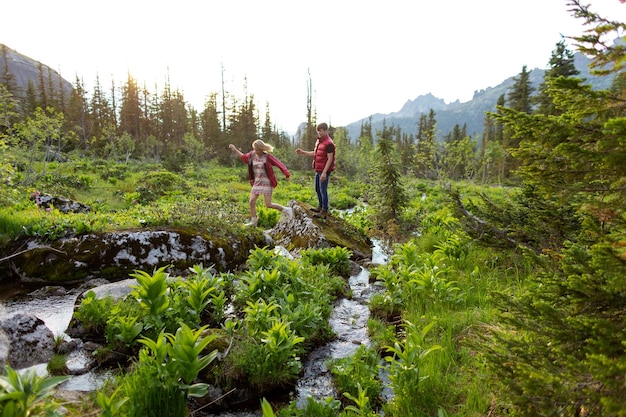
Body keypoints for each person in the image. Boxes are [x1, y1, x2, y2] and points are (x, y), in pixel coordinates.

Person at [229, 140, 293, 227]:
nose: (255, 151)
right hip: (257, 182)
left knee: (268, 204)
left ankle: (286, 210)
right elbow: (243, 157)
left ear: (262, 149)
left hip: (267, 182)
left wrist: (287, 174)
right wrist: (235, 149)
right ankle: (253, 222)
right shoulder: (251, 155)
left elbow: (279, 164)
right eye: (254, 149)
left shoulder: (267, 157)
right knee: (251, 201)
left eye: (257, 150)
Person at [295, 122, 335, 218]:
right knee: (317, 189)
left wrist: (324, 173)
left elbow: (330, 159)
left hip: (324, 171)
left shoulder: (329, 143)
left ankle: (324, 211)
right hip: (318, 169)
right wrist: (303, 152)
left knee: (323, 190)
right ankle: (320, 207)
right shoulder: (319, 142)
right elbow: (316, 154)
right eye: (318, 131)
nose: (319, 133)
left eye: (321, 131)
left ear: (325, 131)